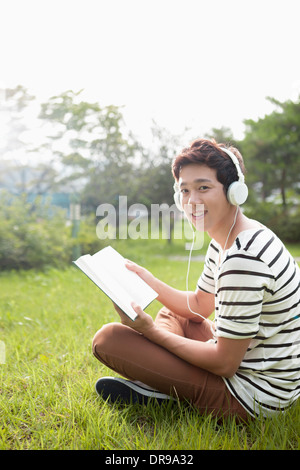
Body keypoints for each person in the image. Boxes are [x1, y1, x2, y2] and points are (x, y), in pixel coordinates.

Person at [92, 138, 300, 420]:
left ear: (234, 192)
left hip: (255, 396)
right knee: (177, 313)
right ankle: (163, 382)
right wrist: (149, 280)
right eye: (185, 191)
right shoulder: (231, 237)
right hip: (253, 368)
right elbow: (200, 305)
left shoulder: (244, 258)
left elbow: (225, 363)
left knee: (108, 339)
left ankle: (159, 383)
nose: (192, 201)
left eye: (204, 187)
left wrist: (150, 332)